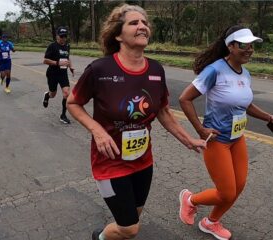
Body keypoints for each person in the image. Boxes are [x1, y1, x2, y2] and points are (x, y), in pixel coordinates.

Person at [67, 4, 207, 240]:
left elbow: (163, 112)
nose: (142, 26)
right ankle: (100, 237)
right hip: (110, 162)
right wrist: (97, 130)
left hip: (142, 160)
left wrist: (189, 139)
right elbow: (73, 102)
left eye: (145, 23)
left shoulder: (155, 69)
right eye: (134, 23)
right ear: (119, 35)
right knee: (130, 229)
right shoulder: (100, 69)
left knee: (134, 216)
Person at [178, 25, 273, 240]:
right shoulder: (214, 70)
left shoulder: (245, 73)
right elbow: (184, 98)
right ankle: (190, 200)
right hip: (217, 139)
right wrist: (200, 129)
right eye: (244, 45)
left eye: (252, 45)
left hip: (237, 138)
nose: (250, 49)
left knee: (238, 187)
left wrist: (269, 118)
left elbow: (245, 104)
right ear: (230, 46)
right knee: (226, 192)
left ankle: (211, 222)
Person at [42, 26, 75, 124]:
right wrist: (57, 63)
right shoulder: (52, 46)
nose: (63, 38)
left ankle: (63, 115)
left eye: (65, 36)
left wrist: (71, 67)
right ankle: (47, 95)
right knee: (53, 94)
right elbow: (45, 60)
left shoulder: (67, 46)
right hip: (52, 73)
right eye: (61, 36)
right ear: (57, 36)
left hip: (63, 74)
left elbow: (68, 58)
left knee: (66, 93)